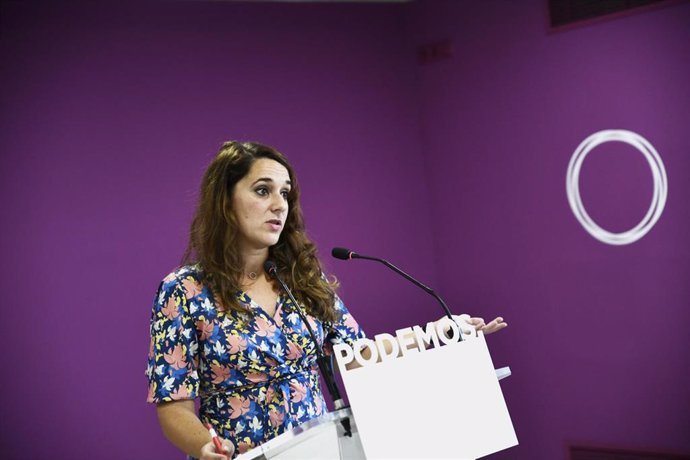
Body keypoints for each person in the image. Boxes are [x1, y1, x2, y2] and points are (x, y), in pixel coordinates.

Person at [146, 141, 507, 460]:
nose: (278, 205)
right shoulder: (185, 291)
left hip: (323, 451)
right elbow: (173, 405)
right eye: (262, 190)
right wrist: (205, 447)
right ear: (225, 200)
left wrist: (441, 334)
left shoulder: (302, 279)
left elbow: (362, 355)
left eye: (285, 194)